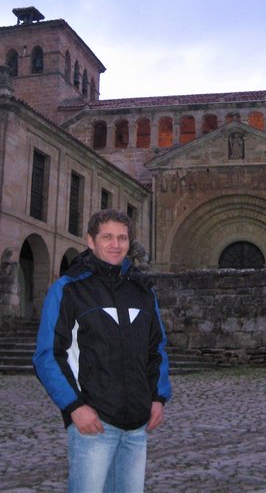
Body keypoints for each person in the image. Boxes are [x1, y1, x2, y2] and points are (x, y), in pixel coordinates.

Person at [33, 209, 172, 492]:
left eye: (122, 238)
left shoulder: (143, 291)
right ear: (90, 240)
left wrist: (158, 397)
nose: (115, 244)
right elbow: (48, 354)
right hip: (93, 422)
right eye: (107, 237)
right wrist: (75, 407)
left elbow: (156, 349)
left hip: (136, 425)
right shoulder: (69, 289)